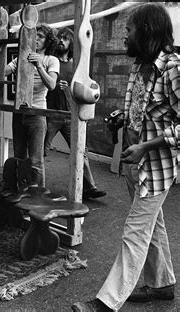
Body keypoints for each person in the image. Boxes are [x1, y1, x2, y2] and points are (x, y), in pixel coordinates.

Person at [72, 4, 180, 312]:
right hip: (137, 164)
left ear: (146, 32)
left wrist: (147, 146)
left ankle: (106, 302)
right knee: (152, 225)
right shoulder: (140, 65)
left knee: (135, 230)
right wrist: (123, 119)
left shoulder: (173, 68)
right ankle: (162, 285)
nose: (124, 34)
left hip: (156, 167)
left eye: (129, 29)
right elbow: (146, 109)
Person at [45, 27, 106, 200]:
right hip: (51, 113)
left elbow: (80, 91)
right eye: (60, 38)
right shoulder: (51, 62)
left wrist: (69, 91)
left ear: (72, 42)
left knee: (81, 151)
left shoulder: (76, 66)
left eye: (65, 38)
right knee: (40, 151)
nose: (61, 41)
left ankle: (89, 188)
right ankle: (35, 187)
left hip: (70, 115)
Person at [5, 23, 59, 188]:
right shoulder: (21, 57)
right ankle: (21, 194)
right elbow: (2, 72)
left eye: (41, 36)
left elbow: (51, 85)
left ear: (48, 41)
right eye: (34, 35)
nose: (36, 39)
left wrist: (39, 66)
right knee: (20, 158)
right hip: (19, 112)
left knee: (36, 160)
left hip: (36, 113)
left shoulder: (51, 60)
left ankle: (38, 199)